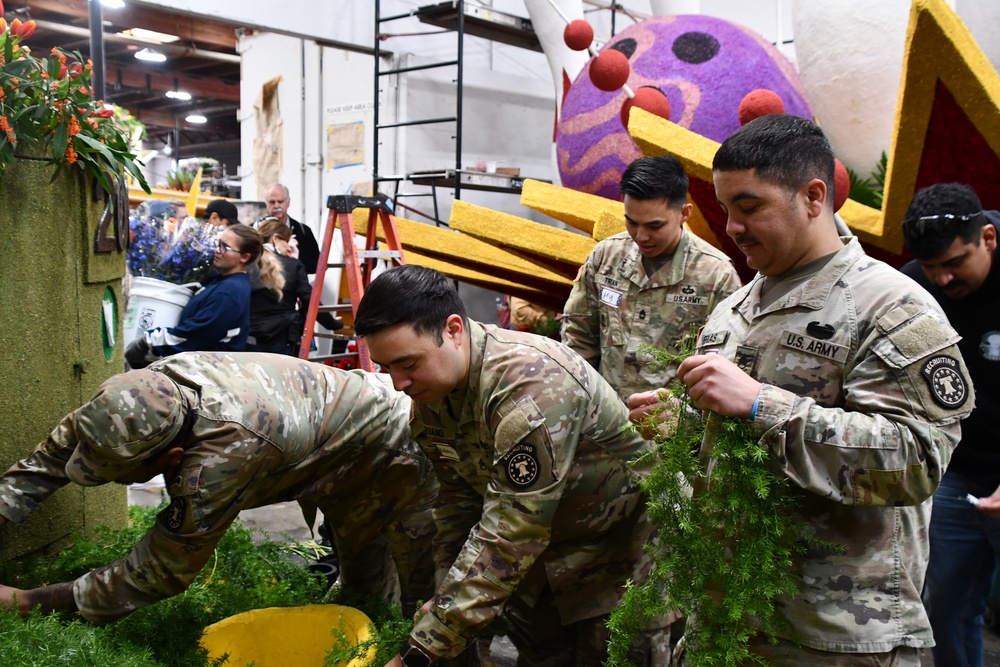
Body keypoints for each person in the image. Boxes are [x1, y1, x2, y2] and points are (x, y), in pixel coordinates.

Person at [629, 114, 973, 665]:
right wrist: (685, 424)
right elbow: (731, 444)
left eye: (749, 206)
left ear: (813, 197)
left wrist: (763, 405)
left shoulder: (888, 306)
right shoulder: (734, 309)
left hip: (835, 633)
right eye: (724, 209)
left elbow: (917, 459)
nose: (733, 226)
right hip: (727, 618)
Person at [354, 265, 655, 667]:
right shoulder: (432, 401)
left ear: (454, 329)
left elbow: (513, 530)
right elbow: (458, 503)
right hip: (542, 570)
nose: (398, 384)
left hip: (620, 560)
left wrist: (424, 649)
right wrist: (446, 596)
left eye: (408, 364)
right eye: (386, 367)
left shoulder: (531, 386)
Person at [0, 352, 437, 624]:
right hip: (335, 433)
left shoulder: (220, 460)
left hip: (399, 448)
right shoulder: (130, 400)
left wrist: (26, 602)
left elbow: (160, 571)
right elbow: (47, 460)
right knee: (360, 583)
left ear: (172, 460)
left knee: (420, 599)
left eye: (117, 476)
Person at [899, 182, 1000, 667]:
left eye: (955, 263)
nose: (942, 279)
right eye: (932, 266)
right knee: (947, 605)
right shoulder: (912, 285)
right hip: (954, 473)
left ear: (988, 238)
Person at [561, 154, 741, 401]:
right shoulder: (607, 257)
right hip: (603, 420)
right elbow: (579, 337)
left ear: (684, 213)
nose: (641, 235)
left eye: (654, 226)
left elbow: (722, 366)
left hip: (671, 430)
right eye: (631, 222)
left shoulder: (716, 275)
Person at [125, 224, 284, 367]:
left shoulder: (229, 291)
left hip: (208, 375)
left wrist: (148, 341)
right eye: (218, 243)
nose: (217, 250)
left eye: (225, 247)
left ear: (244, 257)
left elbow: (195, 337)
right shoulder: (220, 279)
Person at [247, 218, 342, 356]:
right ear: (276, 238)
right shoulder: (292, 266)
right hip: (281, 339)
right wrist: (332, 323)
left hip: (249, 338)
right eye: (286, 242)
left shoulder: (247, 263)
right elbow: (310, 301)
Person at [265, 183, 320, 274]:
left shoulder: (303, 231)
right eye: (272, 202)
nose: (276, 206)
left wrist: (294, 260)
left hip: (295, 285)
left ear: (288, 202)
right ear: (266, 204)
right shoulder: (256, 230)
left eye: (280, 201)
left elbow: (316, 265)